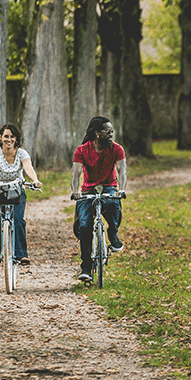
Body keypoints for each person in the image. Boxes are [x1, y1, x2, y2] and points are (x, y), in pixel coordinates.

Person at [0, 123, 42, 268]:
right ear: (0, 137)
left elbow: (28, 167)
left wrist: (34, 180)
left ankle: (21, 253)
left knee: (18, 220)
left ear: (16, 139)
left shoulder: (22, 153)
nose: (9, 140)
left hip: (17, 192)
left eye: (12, 137)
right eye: (6, 136)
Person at [71, 116, 127, 283]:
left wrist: (121, 190)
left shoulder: (117, 149)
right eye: (107, 132)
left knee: (114, 206)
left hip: (109, 187)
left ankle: (113, 233)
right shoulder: (82, 150)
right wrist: (75, 192)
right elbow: (76, 174)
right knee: (84, 225)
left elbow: (122, 170)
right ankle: (86, 267)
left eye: (112, 131)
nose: (111, 134)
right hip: (88, 190)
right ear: (97, 134)